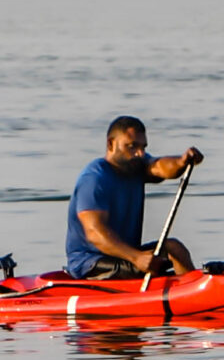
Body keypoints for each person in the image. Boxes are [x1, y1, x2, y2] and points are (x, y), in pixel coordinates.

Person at [64, 117, 205, 278]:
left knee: (174, 248)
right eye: (132, 147)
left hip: (125, 256)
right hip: (91, 263)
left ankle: (191, 290)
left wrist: (181, 162)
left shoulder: (135, 166)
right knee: (156, 261)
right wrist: (136, 257)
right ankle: (189, 295)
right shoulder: (94, 179)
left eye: (143, 147)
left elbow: (160, 167)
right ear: (111, 144)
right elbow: (95, 234)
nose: (140, 153)